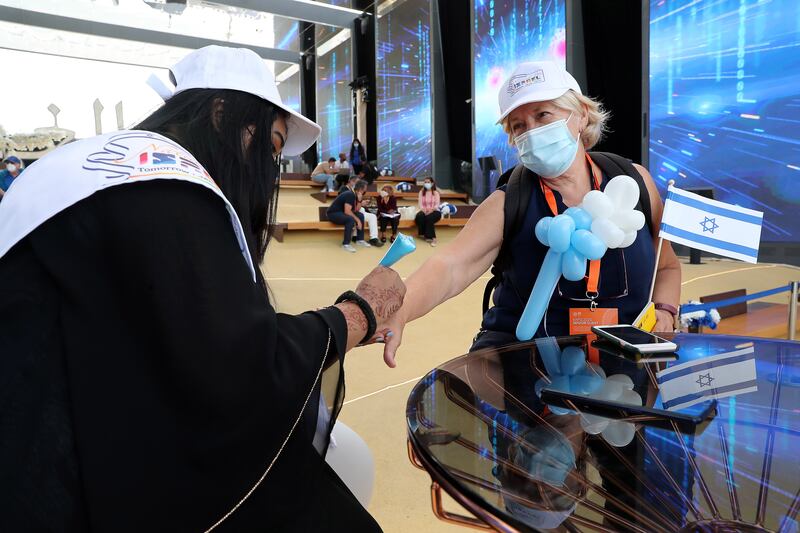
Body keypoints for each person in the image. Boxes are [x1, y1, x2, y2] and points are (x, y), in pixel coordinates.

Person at [0, 46, 403, 532]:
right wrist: (358, 313)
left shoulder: (76, 173)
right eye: (273, 147)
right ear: (222, 115)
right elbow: (237, 370)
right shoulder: (168, 185)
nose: (271, 170)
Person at [379, 60, 681, 368]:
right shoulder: (510, 200)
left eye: (543, 115)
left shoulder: (634, 182)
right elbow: (450, 267)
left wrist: (666, 311)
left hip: (625, 364)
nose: (532, 132)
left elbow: (667, 267)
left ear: (581, 115)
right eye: (519, 125)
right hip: (528, 363)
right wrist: (399, 312)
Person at [336, 176, 383, 248]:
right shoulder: (344, 189)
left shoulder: (356, 191)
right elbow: (346, 205)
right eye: (357, 183)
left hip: (355, 210)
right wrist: (360, 203)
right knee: (360, 213)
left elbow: (356, 202)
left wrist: (361, 202)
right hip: (345, 212)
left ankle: (374, 238)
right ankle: (355, 236)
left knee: (372, 216)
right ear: (351, 182)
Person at [327, 177, 371, 252]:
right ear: (360, 189)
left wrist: (360, 200)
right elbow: (347, 211)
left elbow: (356, 210)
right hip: (333, 213)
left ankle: (360, 240)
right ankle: (346, 244)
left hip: (342, 212)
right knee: (350, 219)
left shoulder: (356, 195)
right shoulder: (350, 194)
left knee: (360, 215)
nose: (365, 191)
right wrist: (358, 221)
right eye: (364, 189)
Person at [414, 176, 441, 247]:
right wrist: (424, 210)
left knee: (429, 218)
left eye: (428, 182)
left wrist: (431, 210)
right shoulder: (421, 192)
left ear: (432, 183)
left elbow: (437, 204)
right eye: (425, 182)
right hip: (424, 210)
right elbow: (420, 204)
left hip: (435, 211)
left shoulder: (436, 193)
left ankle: (433, 238)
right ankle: (424, 233)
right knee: (419, 216)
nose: (426, 183)